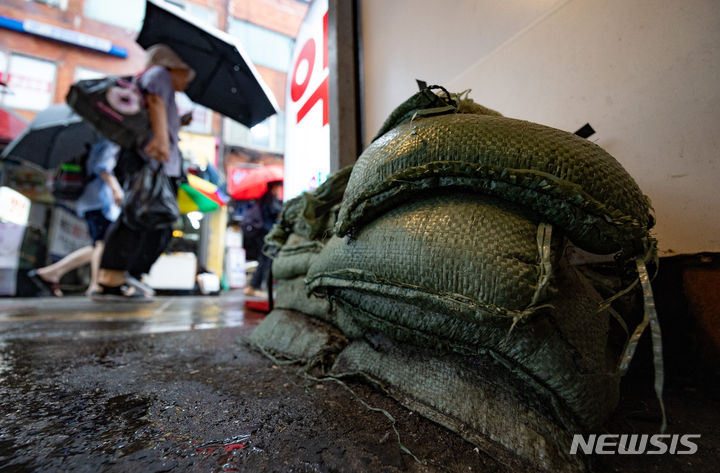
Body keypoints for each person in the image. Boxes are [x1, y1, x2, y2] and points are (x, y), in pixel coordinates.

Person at [92, 44, 195, 301]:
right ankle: (114, 276)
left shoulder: (159, 80)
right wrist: (161, 141)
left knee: (147, 218)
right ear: (175, 66)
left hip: (157, 160)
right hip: (151, 159)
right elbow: (155, 101)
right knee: (138, 216)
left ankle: (123, 276)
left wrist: (176, 125)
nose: (188, 80)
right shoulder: (159, 74)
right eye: (186, 73)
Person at [28, 139, 123, 296]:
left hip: (92, 202)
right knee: (103, 244)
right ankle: (95, 285)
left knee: (99, 245)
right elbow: (103, 168)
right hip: (99, 202)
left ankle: (53, 272)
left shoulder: (95, 144)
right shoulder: (108, 143)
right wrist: (115, 189)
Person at [243, 181, 283, 298]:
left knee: (264, 259)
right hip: (266, 233)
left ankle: (254, 286)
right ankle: (256, 286)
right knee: (266, 259)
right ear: (274, 187)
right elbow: (275, 211)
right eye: (278, 187)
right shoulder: (269, 198)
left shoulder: (266, 197)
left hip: (263, 233)